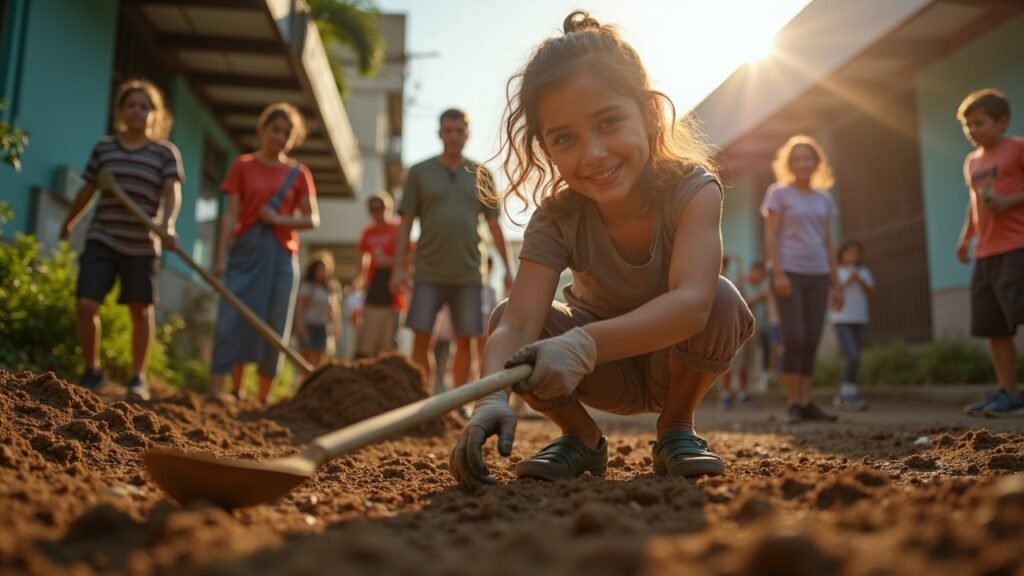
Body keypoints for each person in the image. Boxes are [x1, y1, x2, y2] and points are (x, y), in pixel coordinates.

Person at [448, 11, 754, 489]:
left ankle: (676, 427)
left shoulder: (693, 190)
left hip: (671, 361)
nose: (592, 154)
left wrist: (584, 345)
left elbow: (693, 306)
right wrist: (489, 396)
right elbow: (517, 323)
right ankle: (582, 437)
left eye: (609, 122)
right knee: (505, 315)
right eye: (565, 138)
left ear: (649, 114)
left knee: (719, 298)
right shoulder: (555, 217)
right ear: (546, 148)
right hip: (588, 375)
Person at [60, 79, 183, 401]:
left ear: (155, 115)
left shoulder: (164, 153)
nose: (137, 111)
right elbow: (88, 189)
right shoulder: (105, 149)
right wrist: (69, 221)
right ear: (121, 111)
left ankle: (138, 377)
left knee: (140, 311)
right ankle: (92, 370)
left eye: (145, 106)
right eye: (131, 105)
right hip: (104, 236)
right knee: (86, 303)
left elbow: (172, 192)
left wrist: (167, 225)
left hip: (143, 244)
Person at [391, 108, 514, 390]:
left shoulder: (482, 173)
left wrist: (509, 270)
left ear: (467, 134)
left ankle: (457, 405)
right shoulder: (419, 172)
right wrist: (398, 268)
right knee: (422, 339)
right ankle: (420, 403)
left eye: (460, 130)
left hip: (470, 272)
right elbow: (405, 222)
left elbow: (495, 226)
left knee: (467, 340)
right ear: (440, 134)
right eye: (449, 130)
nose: (454, 136)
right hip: (427, 271)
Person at [208, 102, 319, 404]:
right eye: (275, 129)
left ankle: (263, 397)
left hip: (282, 255)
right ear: (262, 129)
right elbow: (231, 215)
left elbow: (312, 218)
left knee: (274, 322)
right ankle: (223, 389)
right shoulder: (242, 165)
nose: (279, 137)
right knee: (234, 317)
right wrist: (220, 258)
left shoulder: (299, 173)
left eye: (286, 133)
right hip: (245, 251)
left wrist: (281, 220)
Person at [762, 135, 843, 424]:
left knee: (811, 339)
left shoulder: (824, 198)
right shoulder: (778, 193)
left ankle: (807, 402)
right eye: (796, 159)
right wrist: (779, 272)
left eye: (807, 158)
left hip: (818, 273)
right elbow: (770, 236)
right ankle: (794, 403)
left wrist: (836, 282)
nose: (802, 164)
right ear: (789, 164)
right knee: (794, 336)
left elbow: (828, 243)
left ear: (816, 162)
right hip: (789, 272)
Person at [955, 89, 1024, 417]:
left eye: (979, 123)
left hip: (1017, 246)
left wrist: (1011, 201)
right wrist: (966, 237)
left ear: (1002, 122)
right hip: (986, 253)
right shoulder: (972, 162)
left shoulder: (1018, 149)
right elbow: (974, 204)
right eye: (968, 125)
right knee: (994, 327)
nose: (972, 130)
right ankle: (1008, 392)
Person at [353, 193, 403, 359]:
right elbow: (362, 261)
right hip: (373, 288)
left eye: (380, 208)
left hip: (393, 290)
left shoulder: (398, 229)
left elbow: (410, 257)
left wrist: (388, 261)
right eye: (373, 209)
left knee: (388, 343)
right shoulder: (368, 232)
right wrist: (358, 281)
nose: (377, 213)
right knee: (367, 340)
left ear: (388, 207)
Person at [831, 241, 874, 411]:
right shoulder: (837, 272)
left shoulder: (864, 272)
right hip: (841, 319)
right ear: (842, 254)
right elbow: (833, 294)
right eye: (849, 252)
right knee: (853, 354)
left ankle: (846, 393)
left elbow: (872, 294)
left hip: (860, 318)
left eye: (856, 252)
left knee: (855, 357)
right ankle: (848, 394)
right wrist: (847, 281)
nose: (853, 255)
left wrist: (860, 281)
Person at [720, 254, 757, 409]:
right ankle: (726, 394)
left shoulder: (734, 282)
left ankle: (743, 393)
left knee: (744, 364)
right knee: (728, 364)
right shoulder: (713, 282)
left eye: (724, 263)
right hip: (725, 329)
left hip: (739, 327)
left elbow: (744, 304)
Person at [295, 251, 341, 367]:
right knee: (306, 361)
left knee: (320, 362)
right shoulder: (308, 288)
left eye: (324, 268)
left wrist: (336, 327)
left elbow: (333, 310)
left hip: (323, 328)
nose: (322, 272)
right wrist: (300, 326)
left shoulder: (329, 289)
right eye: (319, 268)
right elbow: (300, 308)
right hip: (309, 326)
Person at [744, 261, 781, 391]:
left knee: (767, 351)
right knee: (753, 355)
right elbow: (746, 302)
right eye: (758, 274)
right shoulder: (743, 284)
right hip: (748, 326)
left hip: (766, 324)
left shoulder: (765, 285)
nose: (760, 277)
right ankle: (756, 379)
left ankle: (765, 378)